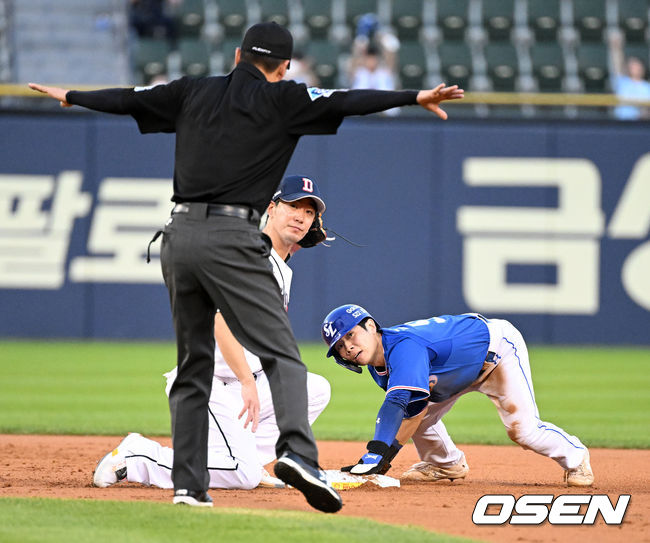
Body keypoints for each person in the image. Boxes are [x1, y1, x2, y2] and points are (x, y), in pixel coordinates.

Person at [28, 21, 463, 513]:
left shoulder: (193, 90)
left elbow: (132, 97)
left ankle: (192, 487)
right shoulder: (284, 99)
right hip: (232, 238)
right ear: (282, 67)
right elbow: (343, 98)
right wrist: (415, 95)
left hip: (180, 234)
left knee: (241, 372)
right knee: (282, 354)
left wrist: (76, 96)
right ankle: (285, 455)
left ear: (237, 55)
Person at [93, 175, 331, 491]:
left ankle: (242, 460)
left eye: (309, 212)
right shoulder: (251, 258)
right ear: (271, 209)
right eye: (293, 206)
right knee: (241, 477)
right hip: (211, 382)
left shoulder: (278, 264)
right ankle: (140, 456)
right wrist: (246, 380)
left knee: (314, 389)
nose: (301, 216)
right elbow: (220, 321)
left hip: (247, 380)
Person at [321, 305, 594, 487]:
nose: (349, 348)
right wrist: (386, 459)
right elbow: (412, 410)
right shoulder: (377, 364)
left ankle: (575, 457)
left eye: (351, 335)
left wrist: (376, 454)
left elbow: (395, 402)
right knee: (420, 417)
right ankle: (447, 464)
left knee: (523, 431)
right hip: (452, 372)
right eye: (341, 347)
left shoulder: (403, 347)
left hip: (496, 353)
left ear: (370, 326)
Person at [609, 32, 650, 120]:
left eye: (635, 65)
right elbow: (616, 64)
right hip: (621, 124)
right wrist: (616, 47)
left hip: (640, 125)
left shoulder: (647, 87)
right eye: (631, 65)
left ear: (642, 68)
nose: (632, 67)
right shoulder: (622, 82)